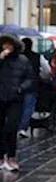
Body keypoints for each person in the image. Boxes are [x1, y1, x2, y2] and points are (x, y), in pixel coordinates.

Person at [0, 34, 35, 172]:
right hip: (1, 97)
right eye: (4, 44)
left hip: (15, 98)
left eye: (10, 44)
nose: (7, 47)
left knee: (11, 127)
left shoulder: (22, 60)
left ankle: (11, 157)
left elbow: (30, 77)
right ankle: (1, 157)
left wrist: (21, 88)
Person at [17, 38, 47, 139]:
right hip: (32, 85)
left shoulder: (17, 56)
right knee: (28, 108)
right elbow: (46, 71)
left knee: (17, 107)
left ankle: (14, 126)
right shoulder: (37, 56)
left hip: (17, 85)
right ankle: (23, 128)